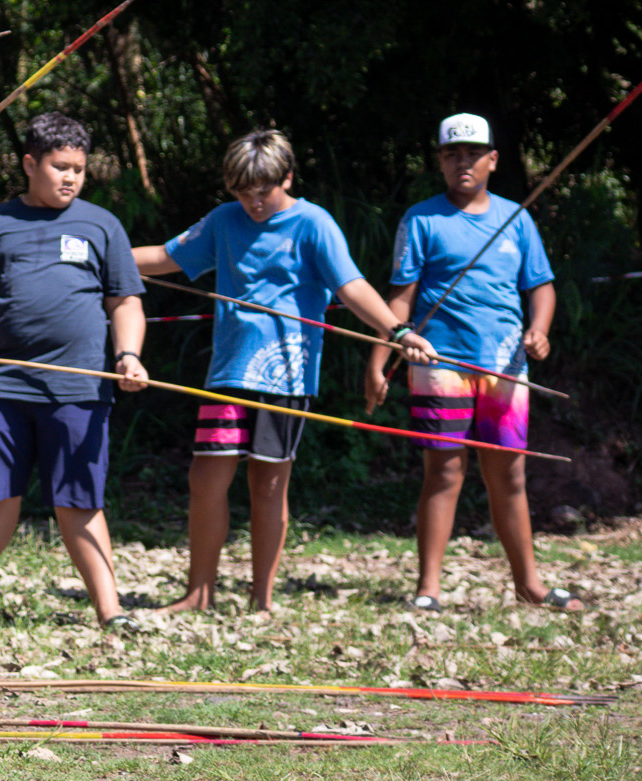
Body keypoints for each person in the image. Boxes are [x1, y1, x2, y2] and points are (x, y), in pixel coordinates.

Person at [133, 128, 436, 614]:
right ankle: (198, 593)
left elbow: (351, 285)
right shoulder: (224, 220)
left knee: (269, 484)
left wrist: (398, 331)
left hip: (286, 375)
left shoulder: (313, 223)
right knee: (205, 479)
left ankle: (262, 599)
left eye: (264, 192)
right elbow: (167, 256)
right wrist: (100, 258)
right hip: (228, 373)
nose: (253, 203)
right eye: (243, 193)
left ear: (288, 177)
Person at [0, 111, 149, 632]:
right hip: (4, 383)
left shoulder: (102, 225)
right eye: (60, 167)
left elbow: (125, 301)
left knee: (79, 499)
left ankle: (111, 611)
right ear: (29, 164)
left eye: (78, 169)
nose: (70, 178)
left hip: (80, 386)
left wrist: (128, 355)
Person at [368, 113, 575, 611]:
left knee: (509, 475)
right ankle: (428, 590)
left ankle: (529, 586)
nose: (463, 162)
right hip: (438, 363)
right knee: (443, 471)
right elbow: (400, 298)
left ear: (493, 160)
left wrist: (540, 330)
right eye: (452, 153)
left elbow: (541, 286)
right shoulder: (421, 219)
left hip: (505, 366)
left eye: (474, 153)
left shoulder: (516, 217)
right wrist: (378, 362)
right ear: (440, 161)